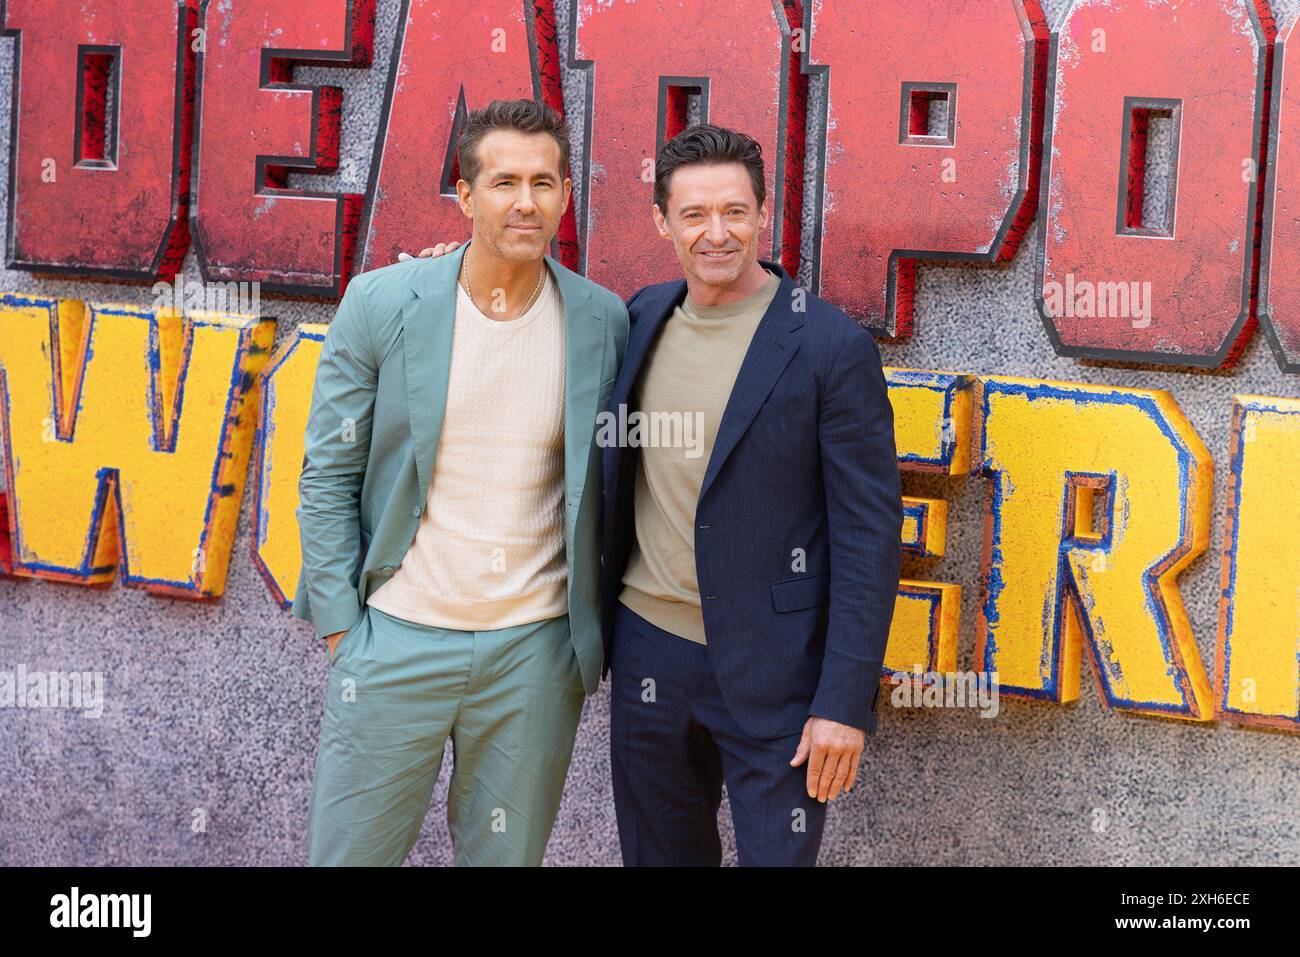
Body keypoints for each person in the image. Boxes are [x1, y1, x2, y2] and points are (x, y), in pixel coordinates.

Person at [410, 123, 902, 866]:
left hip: (780, 671)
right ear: (661, 220)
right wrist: (442, 278)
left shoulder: (829, 346)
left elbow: (870, 537)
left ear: (763, 215)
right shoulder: (638, 317)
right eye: (695, 214)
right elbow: (530, 325)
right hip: (648, 654)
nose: (717, 233)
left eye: (735, 211)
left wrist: (843, 702)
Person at [292, 98, 628, 866]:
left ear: (566, 195)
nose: (525, 201)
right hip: (395, 639)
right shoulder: (382, 303)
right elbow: (327, 471)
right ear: (465, 194)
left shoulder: (601, 320)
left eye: (545, 182)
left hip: (534, 653)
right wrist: (345, 627)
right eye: (504, 180)